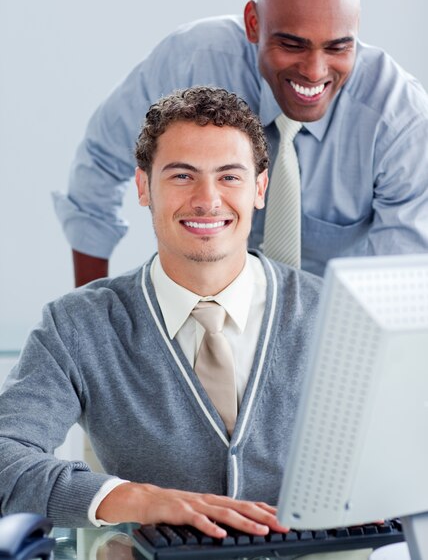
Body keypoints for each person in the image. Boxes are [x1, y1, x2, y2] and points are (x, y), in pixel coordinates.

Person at [0, 87, 322, 530]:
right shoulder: (77, 326)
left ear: (260, 189)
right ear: (143, 187)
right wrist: (129, 498)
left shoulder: (332, 313)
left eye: (229, 176)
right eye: (182, 176)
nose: (207, 199)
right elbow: (5, 455)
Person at [53, 0, 428, 286]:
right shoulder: (191, 63)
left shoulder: (398, 120)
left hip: (330, 333)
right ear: (253, 24)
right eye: (291, 44)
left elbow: (398, 284)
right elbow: (100, 166)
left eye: (337, 47)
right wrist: (91, 322)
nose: (314, 71)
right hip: (196, 311)